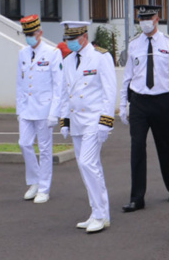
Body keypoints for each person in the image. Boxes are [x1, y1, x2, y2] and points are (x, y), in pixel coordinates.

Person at [119, 5, 169, 212]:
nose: (145, 21)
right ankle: (137, 197)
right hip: (139, 101)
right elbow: (127, 76)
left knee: (164, 146)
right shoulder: (134, 44)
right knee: (137, 147)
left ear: (157, 18)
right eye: (142, 18)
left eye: (149, 17)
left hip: (161, 101)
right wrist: (123, 103)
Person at [58, 21, 116, 233]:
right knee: (88, 168)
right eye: (67, 39)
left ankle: (100, 215)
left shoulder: (101, 57)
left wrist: (106, 121)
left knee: (87, 163)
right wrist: (64, 120)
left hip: (94, 120)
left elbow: (110, 90)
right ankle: (98, 212)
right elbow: (66, 93)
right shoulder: (68, 59)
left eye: (72, 39)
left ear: (83, 36)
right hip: (76, 121)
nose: (70, 43)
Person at [14, 15, 63, 204]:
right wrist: (19, 110)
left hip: (44, 108)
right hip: (27, 108)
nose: (29, 37)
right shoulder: (23, 53)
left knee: (44, 149)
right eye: (26, 34)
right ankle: (34, 181)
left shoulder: (52, 53)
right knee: (24, 143)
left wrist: (54, 112)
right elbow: (20, 83)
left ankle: (44, 188)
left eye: (32, 33)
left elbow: (58, 85)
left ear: (40, 33)